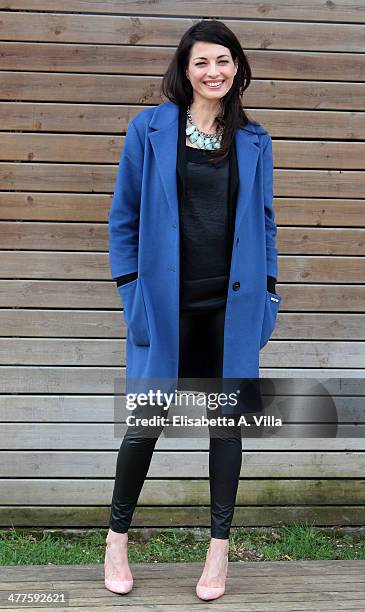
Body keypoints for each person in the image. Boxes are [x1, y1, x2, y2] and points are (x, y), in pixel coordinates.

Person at [104, 19, 281, 602]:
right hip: (166, 308)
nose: (215, 72)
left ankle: (218, 554)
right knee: (145, 425)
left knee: (226, 430)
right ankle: (115, 540)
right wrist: (133, 293)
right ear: (185, 69)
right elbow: (124, 217)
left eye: (224, 61)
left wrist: (271, 295)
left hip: (231, 309)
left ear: (237, 69)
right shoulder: (149, 130)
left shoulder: (255, 140)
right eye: (203, 62)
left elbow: (264, 223)